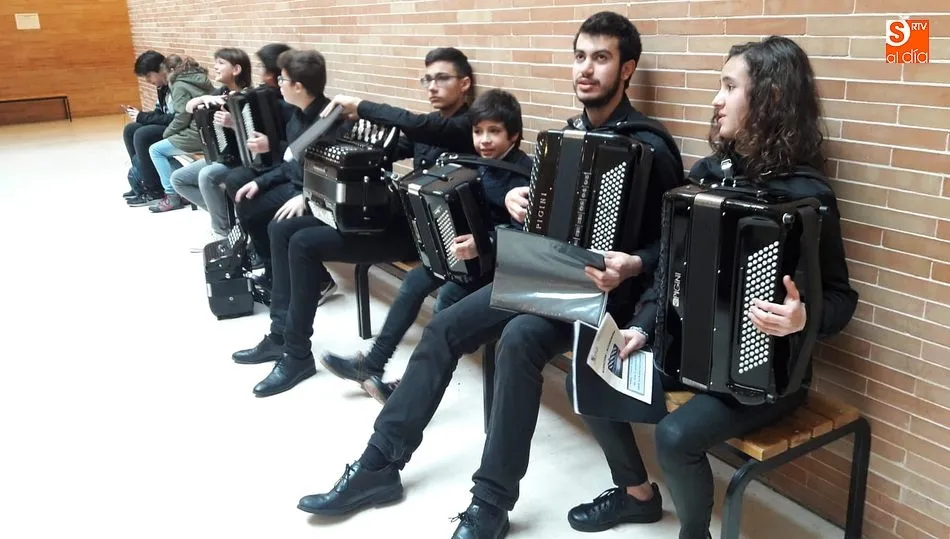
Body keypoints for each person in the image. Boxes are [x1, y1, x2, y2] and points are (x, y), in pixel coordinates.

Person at [296, 12, 686, 539]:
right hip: (555, 275)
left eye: (601, 58)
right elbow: (555, 225)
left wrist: (635, 262)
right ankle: (378, 466)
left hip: (612, 295)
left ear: (627, 69)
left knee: (520, 340)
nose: (586, 69)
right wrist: (522, 203)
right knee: (446, 323)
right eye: (580, 56)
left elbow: (677, 245)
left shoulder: (652, 146)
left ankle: (490, 505)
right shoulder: (568, 137)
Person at [565, 36, 859, 539]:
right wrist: (643, 327)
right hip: (687, 353)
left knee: (677, 437)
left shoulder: (807, 195)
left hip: (766, 376)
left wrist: (803, 317)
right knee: (590, 376)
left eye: (729, 87)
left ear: (768, 99)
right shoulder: (705, 178)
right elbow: (669, 273)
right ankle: (636, 494)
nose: (716, 100)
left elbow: (840, 297)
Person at [230, 47, 479, 399]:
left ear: (465, 84)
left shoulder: (468, 126)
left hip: (421, 239)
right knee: (284, 229)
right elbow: (388, 147)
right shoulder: (431, 127)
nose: (432, 86)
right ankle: (281, 336)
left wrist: (362, 106)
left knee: (303, 243)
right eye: (428, 79)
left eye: (442, 78)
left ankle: (296, 353)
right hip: (398, 223)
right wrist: (349, 140)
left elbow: (422, 126)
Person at [320, 88, 533, 404]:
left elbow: (526, 240)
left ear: (514, 136)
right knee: (415, 280)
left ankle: (409, 386)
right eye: (478, 132)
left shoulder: (522, 175)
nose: (484, 140)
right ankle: (372, 363)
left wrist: (485, 241)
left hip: (501, 268)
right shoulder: (477, 163)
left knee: (446, 299)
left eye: (494, 132)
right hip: (467, 257)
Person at [167, 48, 252, 238]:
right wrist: (202, 98)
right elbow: (189, 107)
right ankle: (228, 220)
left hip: (242, 160)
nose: (215, 66)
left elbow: (256, 138)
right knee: (178, 179)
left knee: (207, 175)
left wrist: (233, 124)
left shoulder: (250, 97)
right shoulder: (221, 92)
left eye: (221, 63)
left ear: (237, 69)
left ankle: (222, 233)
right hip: (221, 156)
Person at [146, 55, 214, 212]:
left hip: (197, 133)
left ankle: (172, 195)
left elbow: (182, 116)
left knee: (156, 150)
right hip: (208, 130)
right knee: (161, 149)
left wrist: (167, 133)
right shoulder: (199, 78)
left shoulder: (179, 84)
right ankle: (179, 189)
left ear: (170, 70)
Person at [123, 50, 173, 206]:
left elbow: (176, 118)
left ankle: (155, 190)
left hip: (181, 128)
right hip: (171, 125)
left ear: (160, 70)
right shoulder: (162, 87)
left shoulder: (177, 86)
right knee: (131, 129)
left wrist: (143, 118)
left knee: (143, 135)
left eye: (149, 76)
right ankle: (142, 179)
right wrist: (140, 116)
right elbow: (160, 113)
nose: (147, 81)